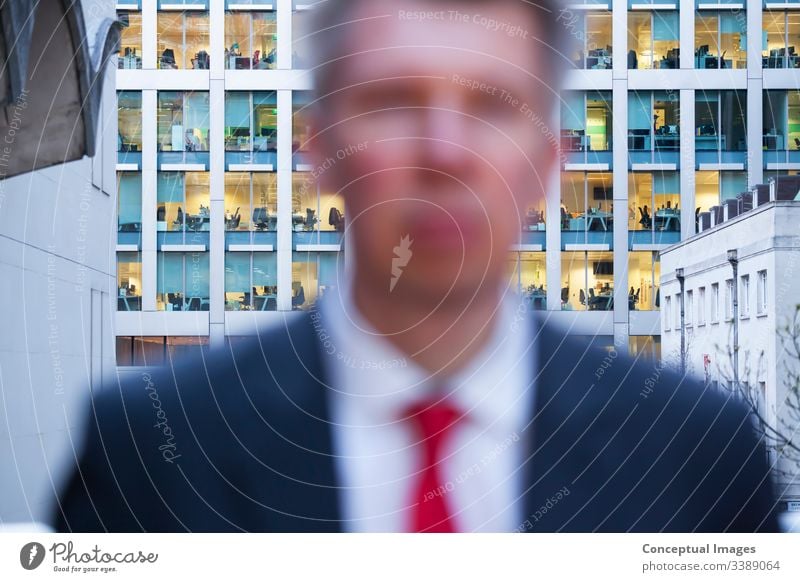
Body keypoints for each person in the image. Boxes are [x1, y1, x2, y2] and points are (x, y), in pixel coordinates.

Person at [54, 0, 778, 533]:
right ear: (320, 150)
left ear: (549, 161)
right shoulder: (150, 451)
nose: (445, 152)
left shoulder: (698, 453)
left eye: (491, 108)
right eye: (393, 101)